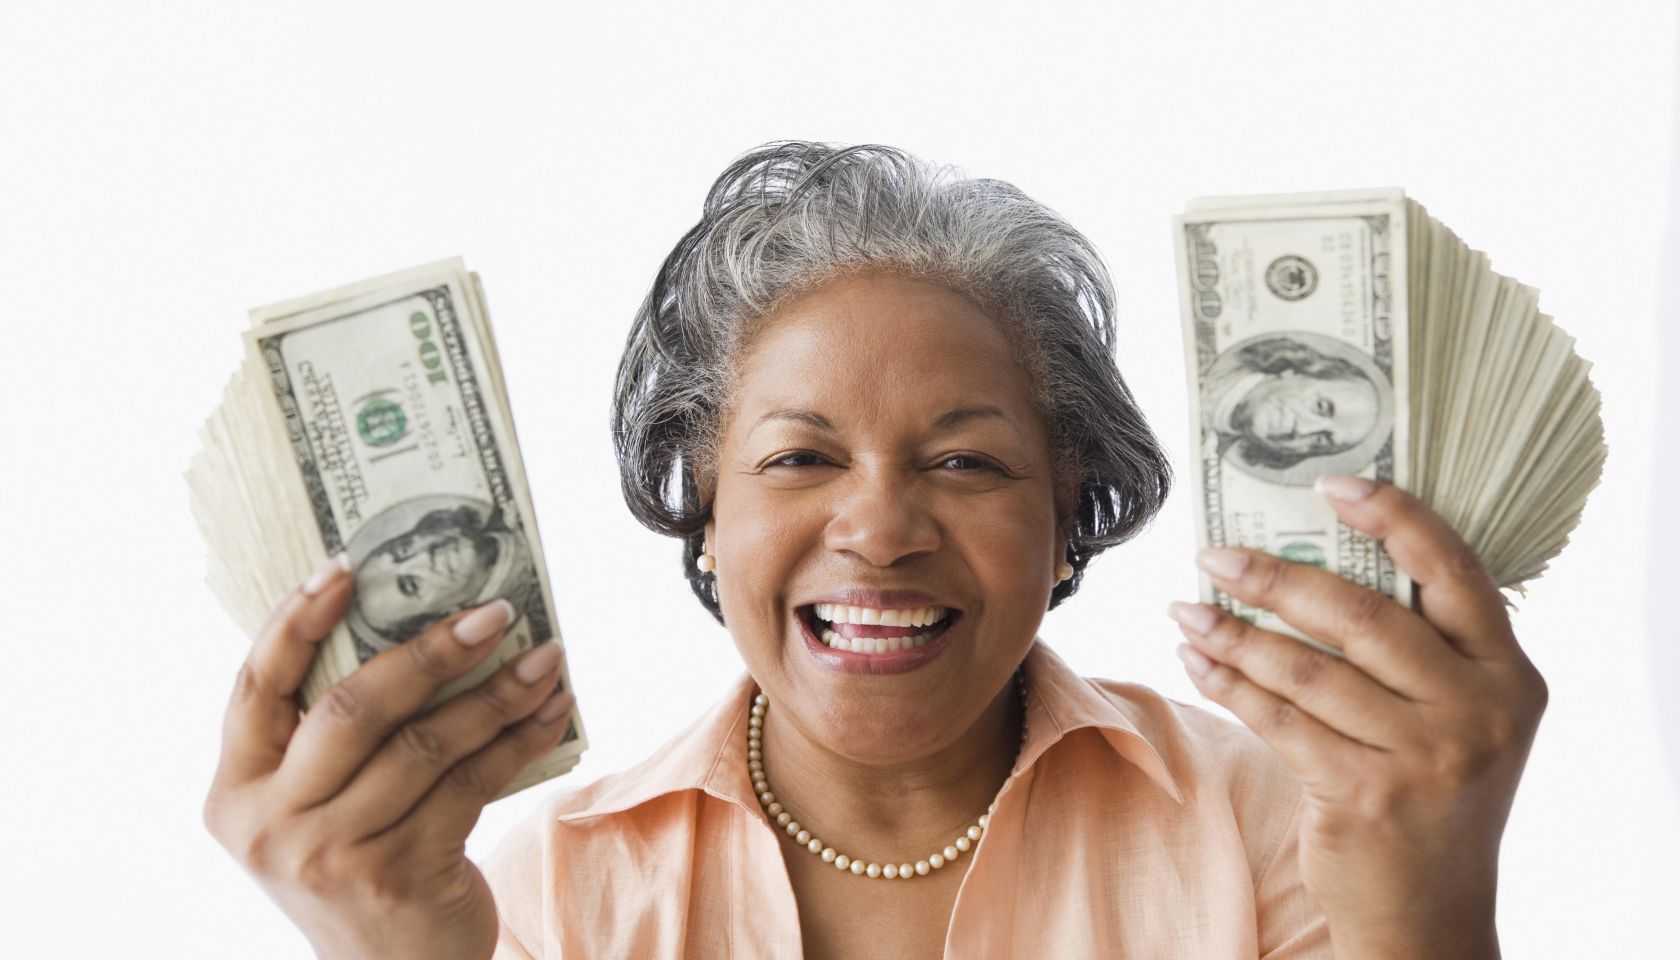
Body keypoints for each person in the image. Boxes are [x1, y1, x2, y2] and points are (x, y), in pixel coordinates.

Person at [203, 142, 1549, 960]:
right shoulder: (544, 892)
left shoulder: (1273, 826)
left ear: (1065, 508)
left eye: (967, 461)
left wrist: (1424, 902)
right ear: (705, 507)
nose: (883, 530)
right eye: (798, 458)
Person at [345, 499, 545, 654]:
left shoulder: (502, 512)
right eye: (412, 584)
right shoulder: (519, 594)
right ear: (441, 616)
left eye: (403, 549)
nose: (424, 556)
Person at [1201, 334, 1389, 481]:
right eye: (1320, 407)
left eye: (1320, 440)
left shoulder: (1207, 460)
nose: (1303, 429)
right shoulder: (1207, 358)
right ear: (1294, 370)